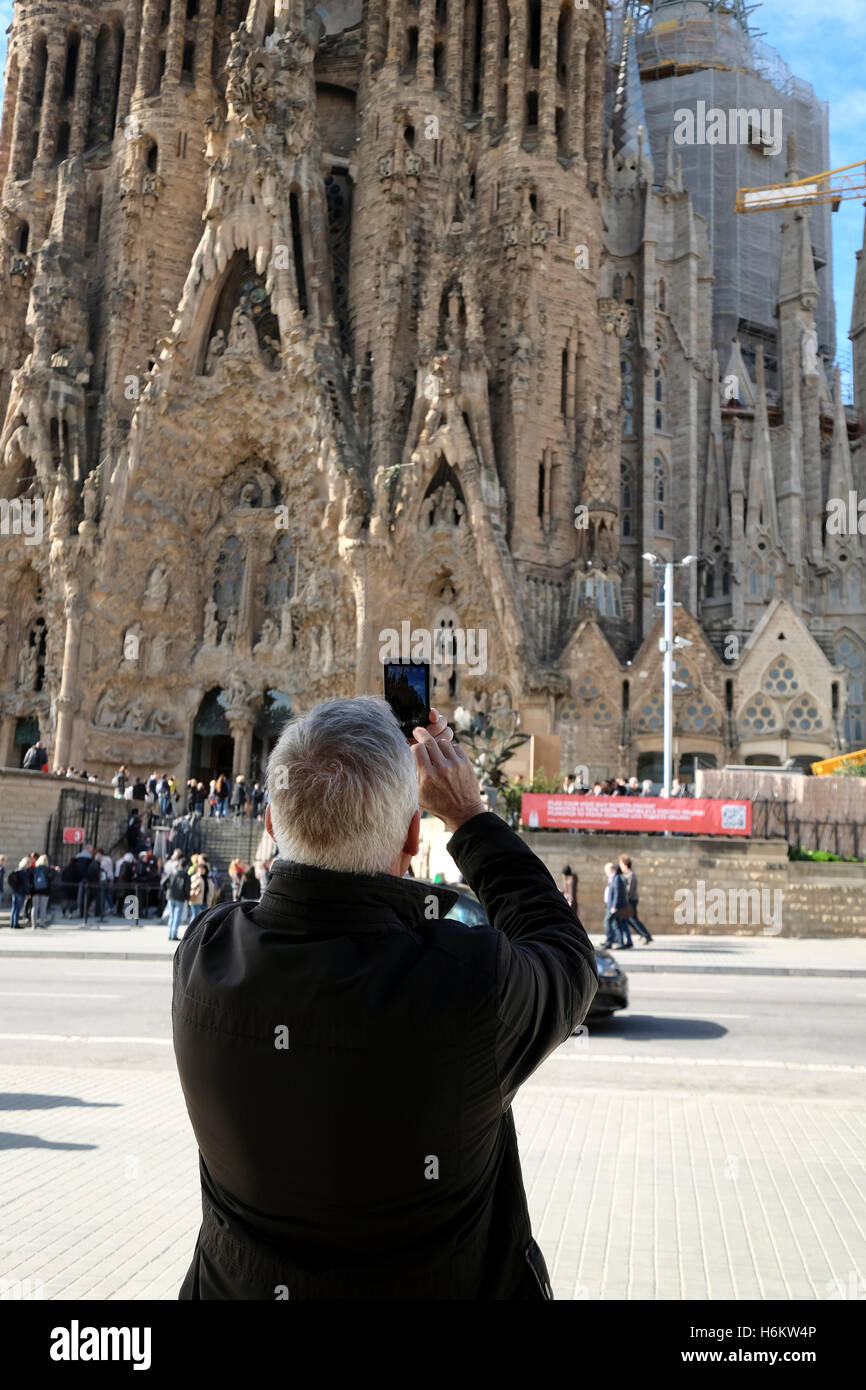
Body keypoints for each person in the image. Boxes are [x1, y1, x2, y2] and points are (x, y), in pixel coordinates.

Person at [173, 697, 598, 1301]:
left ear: (270, 824)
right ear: (410, 836)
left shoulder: (204, 955)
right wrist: (469, 816)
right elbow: (566, 954)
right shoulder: (465, 982)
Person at [618, 854, 652, 943]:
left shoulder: (631, 875)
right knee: (629, 919)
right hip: (628, 900)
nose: (620, 867)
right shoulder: (625, 874)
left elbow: (630, 890)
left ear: (625, 865)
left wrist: (625, 901)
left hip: (630, 900)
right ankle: (642, 934)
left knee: (633, 919)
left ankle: (646, 935)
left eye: (621, 865)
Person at [602, 861, 632, 949]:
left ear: (611, 870)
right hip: (610, 905)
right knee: (616, 924)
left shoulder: (617, 878)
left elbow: (617, 894)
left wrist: (614, 906)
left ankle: (609, 941)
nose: (606, 872)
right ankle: (620, 942)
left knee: (607, 921)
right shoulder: (613, 878)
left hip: (613, 907)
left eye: (606, 870)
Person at [162, 851, 190, 941]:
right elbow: (187, 888)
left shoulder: (172, 872)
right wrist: (186, 897)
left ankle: (170, 934)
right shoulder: (186, 875)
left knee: (172, 915)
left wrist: (166, 890)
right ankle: (173, 934)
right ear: (186, 866)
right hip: (180, 897)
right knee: (177, 916)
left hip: (170, 895)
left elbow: (163, 882)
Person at [30, 854, 53, 928]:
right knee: (43, 907)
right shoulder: (48, 869)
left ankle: (33, 924)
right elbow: (51, 879)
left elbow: (30, 880)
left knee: (34, 907)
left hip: (35, 890)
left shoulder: (34, 869)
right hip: (45, 891)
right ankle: (42, 923)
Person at [8, 858, 31, 928]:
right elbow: (25, 884)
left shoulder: (16, 870)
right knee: (18, 908)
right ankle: (15, 924)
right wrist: (27, 893)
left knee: (13, 908)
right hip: (21, 892)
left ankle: (12, 923)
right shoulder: (24, 872)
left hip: (15, 891)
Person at [188, 856, 210, 922]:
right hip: (195, 899)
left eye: (203, 869)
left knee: (203, 918)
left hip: (204, 901)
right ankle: (191, 931)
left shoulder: (207, 878)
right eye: (200, 868)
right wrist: (197, 878)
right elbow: (192, 885)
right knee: (195, 916)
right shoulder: (195, 877)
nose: (201, 870)